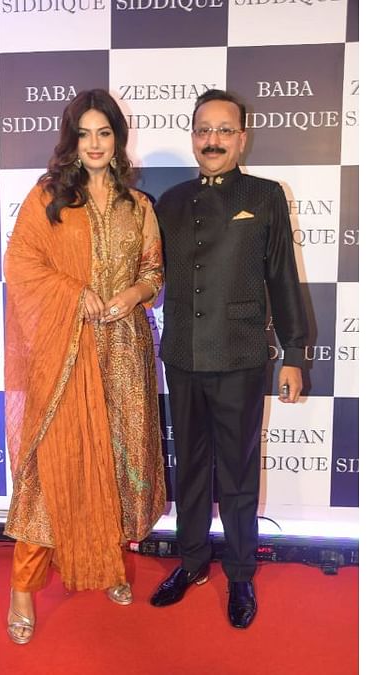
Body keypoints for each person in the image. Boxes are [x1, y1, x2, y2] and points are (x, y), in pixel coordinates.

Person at [1, 88, 166, 645]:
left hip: (124, 354)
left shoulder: (137, 206)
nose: (95, 144)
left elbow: (153, 270)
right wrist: (75, 292)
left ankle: (110, 565)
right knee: (53, 473)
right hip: (65, 358)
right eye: (85, 134)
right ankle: (22, 588)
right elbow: (20, 264)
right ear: (72, 140)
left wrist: (136, 292)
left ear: (118, 139)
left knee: (118, 463)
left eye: (105, 133)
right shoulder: (49, 197)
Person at [148, 89, 308, 629]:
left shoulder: (264, 196)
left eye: (223, 130)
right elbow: (149, 275)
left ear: (242, 137)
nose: (211, 140)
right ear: (192, 136)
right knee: (189, 467)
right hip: (183, 355)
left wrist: (294, 352)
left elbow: (283, 277)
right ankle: (191, 561)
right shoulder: (167, 201)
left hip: (240, 354)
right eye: (202, 130)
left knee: (237, 472)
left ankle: (240, 572)